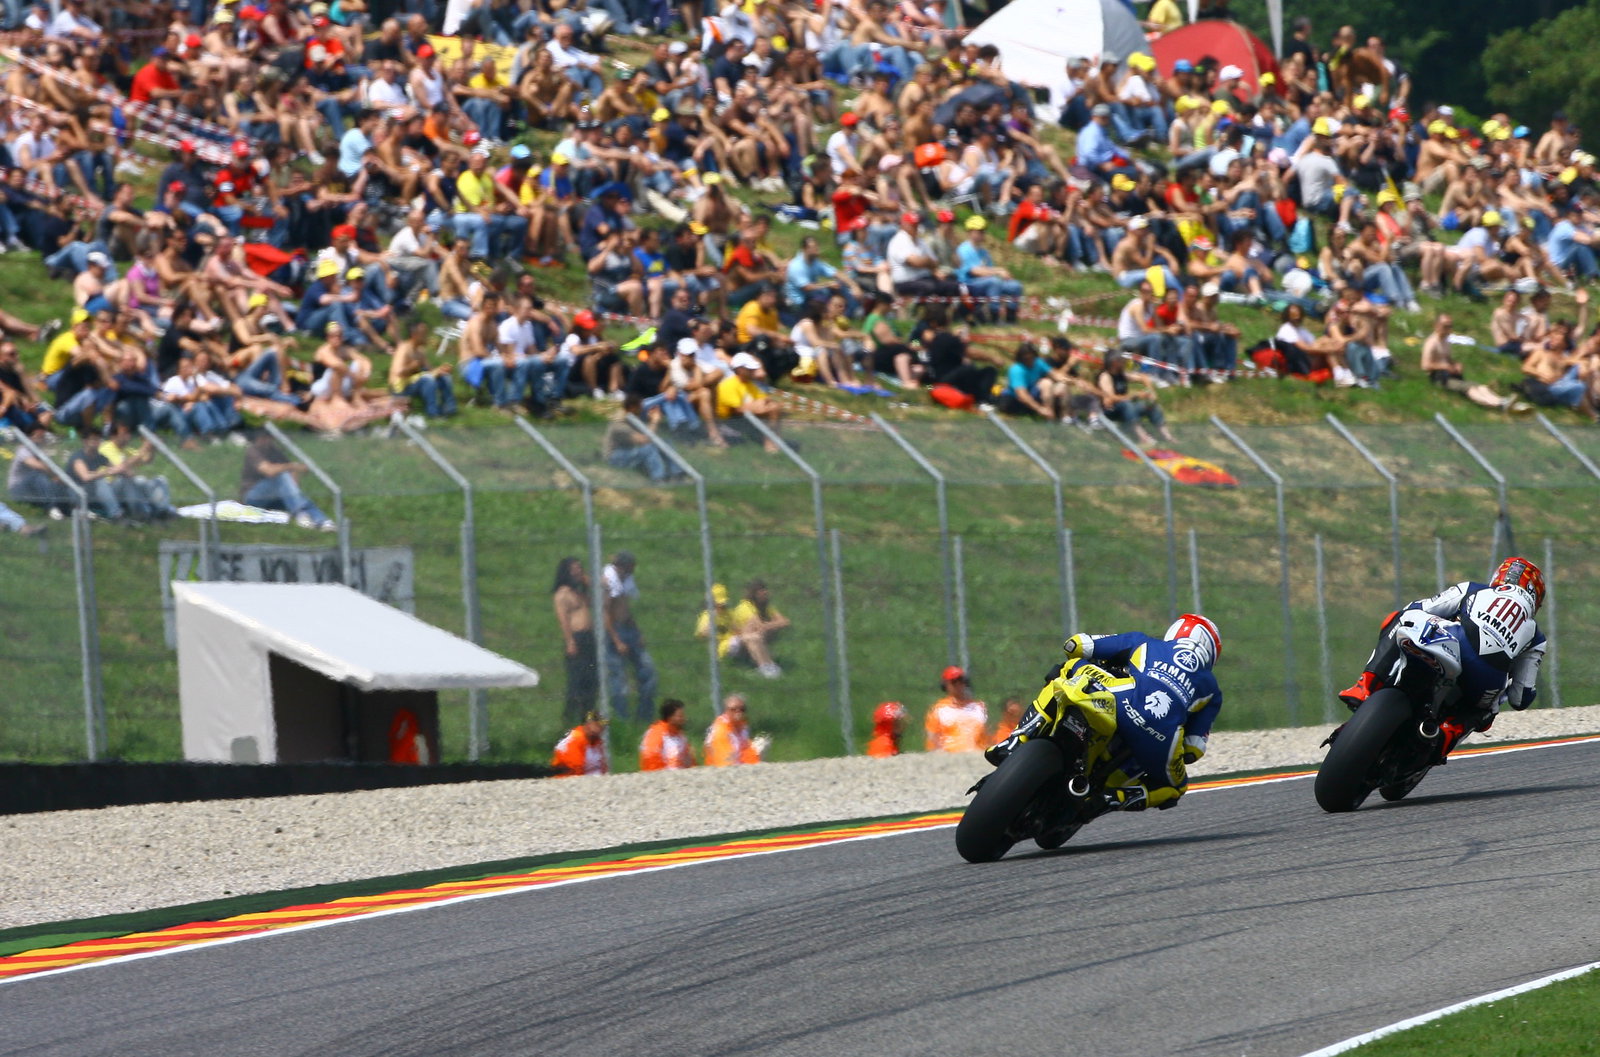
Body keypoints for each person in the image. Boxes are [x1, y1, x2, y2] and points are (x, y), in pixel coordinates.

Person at [991, 614, 1224, 812]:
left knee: (1067, 669)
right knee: (1176, 787)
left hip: (1118, 699)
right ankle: (1114, 799)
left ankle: (1017, 739)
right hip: (1160, 739)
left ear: (1175, 632)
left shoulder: (1144, 643)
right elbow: (1194, 749)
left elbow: (1076, 645)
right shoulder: (1212, 689)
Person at [1338, 557, 1547, 746]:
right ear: (1535, 597)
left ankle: (1365, 685)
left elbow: (1420, 607)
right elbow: (1520, 698)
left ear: (1498, 577)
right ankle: (1447, 733)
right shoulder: (1537, 637)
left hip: (1455, 642)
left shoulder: (1474, 589)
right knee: (1487, 710)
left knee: (1399, 617)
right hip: (1488, 680)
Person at [602, 550, 658, 722]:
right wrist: (616, 640)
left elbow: (625, 609)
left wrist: (637, 631)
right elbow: (605, 613)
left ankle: (644, 717)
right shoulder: (608, 582)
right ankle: (622, 720)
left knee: (649, 672)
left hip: (629, 630)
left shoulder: (626, 580)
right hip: (614, 632)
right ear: (622, 566)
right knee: (618, 679)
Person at [240, 431, 335, 530]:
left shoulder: (274, 452)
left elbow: (292, 473)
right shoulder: (253, 451)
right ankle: (300, 514)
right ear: (260, 438)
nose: (269, 440)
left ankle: (322, 521)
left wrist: (293, 488)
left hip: (272, 498)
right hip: (253, 497)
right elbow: (268, 470)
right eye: (266, 437)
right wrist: (293, 466)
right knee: (281, 475)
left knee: (300, 497)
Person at [552, 556, 598, 727]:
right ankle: (568, 720)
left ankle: (587, 719)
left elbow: (599, 599)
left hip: (589, 638)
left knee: (592, 681)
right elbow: (563, 619)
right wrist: (570, 641)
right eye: (575, 569)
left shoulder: (580, 592)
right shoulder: (562, 594)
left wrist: (588, 583)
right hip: (576, 639)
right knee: (576, 683)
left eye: (580, 568)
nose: (579, 571)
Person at [728, 579, 789, 679]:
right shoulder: (745, 606)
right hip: (735, 643)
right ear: (753, 593)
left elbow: (785, 622)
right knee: (753, 636)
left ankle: (771, 667)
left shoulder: (765, 606)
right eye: (760, 591)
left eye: (765, 589)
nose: (765, 593)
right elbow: (759, 626)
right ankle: (765, 668)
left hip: (752, 639)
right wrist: (773, 624)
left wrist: (768, 625)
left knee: (757, 635)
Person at [924, 665, 988, 753]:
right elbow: (933, 739)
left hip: (976, 756)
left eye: (961, 681)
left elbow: (986, 736)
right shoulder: (939, 710)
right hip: (951, 758)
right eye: (953, 682)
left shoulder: (978, 707)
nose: (958, 684)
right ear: (945, 685)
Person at [705, 692, 766, 766]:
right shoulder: (720, 730)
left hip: (739, 766)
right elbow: (725, 761)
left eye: (742, 709)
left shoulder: (743, 726)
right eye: (733, 709)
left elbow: (745, 752)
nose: (738, 712)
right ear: (726, 711)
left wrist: (756, 753)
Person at [640, 698, 697, 770]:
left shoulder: (680, 735)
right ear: (670, 717)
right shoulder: (656, 734)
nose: (684, 719)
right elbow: (650, 758)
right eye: (680, 716)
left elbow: (690, 762)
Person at [551, 709, 609, 776]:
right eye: (598, 724)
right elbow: (575, 773)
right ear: (589, 723)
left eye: (603, 725)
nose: (602, 728)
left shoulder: (596, 741)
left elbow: (603, 768)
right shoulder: (575, 740)